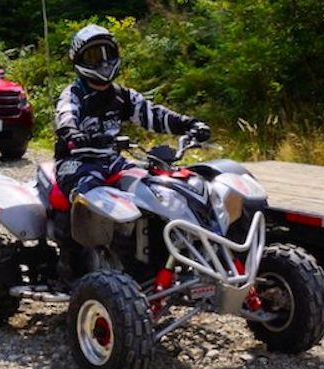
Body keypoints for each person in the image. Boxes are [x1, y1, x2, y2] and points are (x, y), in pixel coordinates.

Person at [53, 24, 210, 282]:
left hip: (113, 160)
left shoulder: (122, 96)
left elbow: (155, 115)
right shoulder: (74, 94)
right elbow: (65, 115)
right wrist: (71, 131)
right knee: (87, 194)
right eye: (94, 56)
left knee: (152, 189)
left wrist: (189, 123)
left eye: (107, 53)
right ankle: (72, 265)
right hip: (76, 160)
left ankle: (151, 259)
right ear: (79, 60)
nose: (103, 61)